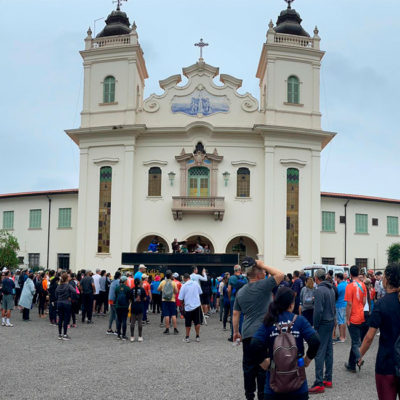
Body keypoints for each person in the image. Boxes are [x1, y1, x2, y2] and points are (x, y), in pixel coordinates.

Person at [250, 287, 320, 400]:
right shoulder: (300, 321)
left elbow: (254, 344)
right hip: (298, 383)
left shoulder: (269, 321)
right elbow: (315, 340)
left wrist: (262, 362)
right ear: (291, 304)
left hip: (274, 384)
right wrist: (307, 359)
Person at [233, 258, 284, 400]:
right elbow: (280, 274)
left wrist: (236, 332)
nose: (264, 273)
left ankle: (249, 396)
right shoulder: (263, 285)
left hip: (248, 333)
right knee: (264, 368)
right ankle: (263, 396)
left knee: (248, 368)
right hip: (263, 334)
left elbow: (236, 313)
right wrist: (263, 265)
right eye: (262, 271)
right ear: (258, 274)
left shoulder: (241, 292)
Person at [358, 263, 400, 400]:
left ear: (386, 279)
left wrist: (358, 355)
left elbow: (369, 337)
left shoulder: (381, 304)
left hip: (386, 362)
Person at [309, 269, 336, 394]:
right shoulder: (330, 288)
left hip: (323, 323)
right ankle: (328, 378)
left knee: (319, 352)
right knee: (329, 350)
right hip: (330, 321)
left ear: (316, 278)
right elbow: (333, 307)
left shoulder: (319, 290)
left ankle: (319, 382)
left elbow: (318, 310)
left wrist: (315, 325)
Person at [344, 265, 367, 373]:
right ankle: (351, 365)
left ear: (350, 274)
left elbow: (349, 304)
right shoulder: (363, 285)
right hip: (361, 315)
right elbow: (364, 301)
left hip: (353, 317)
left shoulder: (349, 286)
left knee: (355, 342)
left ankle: (359, 359)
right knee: (356, 340)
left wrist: (347, 318)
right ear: (358, 273)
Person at [178, 273, 203, 343]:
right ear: (189, 277)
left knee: (188, 323)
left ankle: (187, 337)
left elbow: (180, 298)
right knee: (197, 322)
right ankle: (197, 336)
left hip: (188, 306)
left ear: (184, 279)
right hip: (197, 305)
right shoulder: (196, 283)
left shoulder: (184, 286)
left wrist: (182, 304)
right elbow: (200, 292)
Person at [228, 264, 248, 341]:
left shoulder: (231, 278)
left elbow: (229, 289)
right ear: (240, 270)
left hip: (234, 298)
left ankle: (234, 334)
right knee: (242, 317)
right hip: (243, 299)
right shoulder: (245, 278)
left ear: (234, 270)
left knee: (234, 316)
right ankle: (242, 335)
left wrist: (230, 297)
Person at [55, 272, 76, 340]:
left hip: (59, 303)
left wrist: (59, 298)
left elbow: (56, 294)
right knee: (66, 319)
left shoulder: (59, 286)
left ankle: (59, 334)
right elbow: (74, 291)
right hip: (66, 303)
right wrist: (70, 297)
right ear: (67, 278)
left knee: (60, 318)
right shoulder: (68, 285)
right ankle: (65, 334)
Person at [158, 270, 179, 335]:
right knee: (173, 315)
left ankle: (167, 329)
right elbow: (176, 291)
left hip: (164, 300)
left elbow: (158, 289)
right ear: (171, 276)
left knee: (166, 315)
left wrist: (163, 289)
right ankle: (175, 329)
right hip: (172, 300)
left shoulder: (163, 282)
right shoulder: (173, 283)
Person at [130, 278, 146, 342]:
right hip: (140, 306)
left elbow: (130, 299)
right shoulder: (142, 289)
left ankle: (132, 336)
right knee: (140, 322)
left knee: (132, 322)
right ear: (139, 283)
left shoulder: (131, 290)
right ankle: (140, 336)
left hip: (133, 306)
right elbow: (144, 298)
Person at [114, 276, 131, 340]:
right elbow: (129, 298)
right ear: (125, 281)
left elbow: (116, 296)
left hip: (118, 306)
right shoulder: (127, 288)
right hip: (125, 306)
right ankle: (124, 335)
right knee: (124, 320)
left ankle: (118, 335)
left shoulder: (117, 288)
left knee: (119, 320)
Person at [333, 272, 347, 343]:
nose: (335, 279)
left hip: (340, 304)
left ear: (338, 278)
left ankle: (342, 337)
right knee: (343, 321)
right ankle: (343, 336)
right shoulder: (346, 284)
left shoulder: (339, 286)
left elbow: (335, 295)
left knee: (340, 321)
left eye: (335, 277)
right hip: (345, 304)